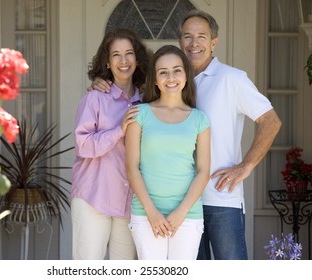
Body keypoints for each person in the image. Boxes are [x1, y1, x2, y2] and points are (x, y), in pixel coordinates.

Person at [90, 10, 282, 260]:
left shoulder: (232, 79)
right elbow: (127, 78)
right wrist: (100, 82)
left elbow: (271, 121)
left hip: (221, 198)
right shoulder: (174, 78)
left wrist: (245, 167)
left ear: (214, 42)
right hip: (181, 202)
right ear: (180, 41)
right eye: (187, 36)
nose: (194, 43)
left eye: (201, 36)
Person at [125, 45, 210, 260]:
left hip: (187, 216)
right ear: (154, 79)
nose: (170, 77)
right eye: (163, 72)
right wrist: (152, 213)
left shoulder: (199, 119)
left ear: (186, 76)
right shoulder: (139, 114)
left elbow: (203, 171)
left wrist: (180, 213)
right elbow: (131, 167)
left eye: (177, 70)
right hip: (146, 214)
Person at [71, 28, 149, 260]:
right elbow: (83, 146)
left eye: (129, 53)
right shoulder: (94, 98)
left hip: (129, 203)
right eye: (116, 54)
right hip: (93, 199)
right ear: (107, 61)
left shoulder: (148, 102)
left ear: (137, 58)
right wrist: (119, 130)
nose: (123, 61)